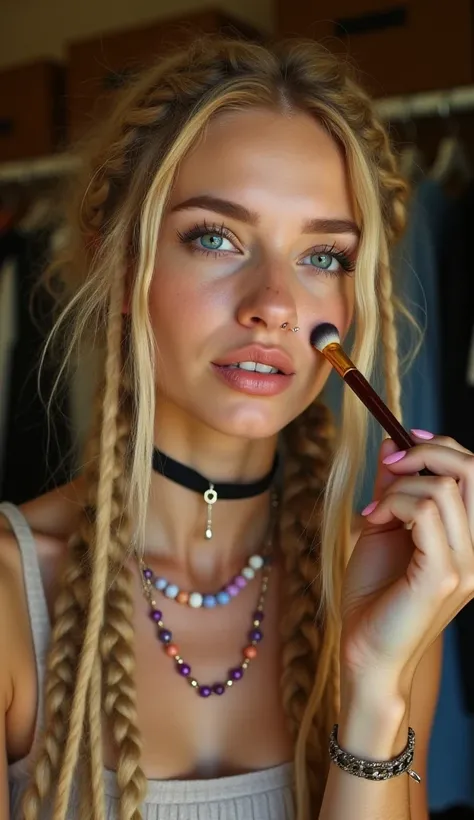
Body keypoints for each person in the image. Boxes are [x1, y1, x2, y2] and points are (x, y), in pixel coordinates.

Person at [1, 35, 473, 820]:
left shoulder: (387, 587)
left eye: (324, 255)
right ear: (123, 266)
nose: (275, 303)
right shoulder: (13, 596)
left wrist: (375, 686)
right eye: (215, 237)